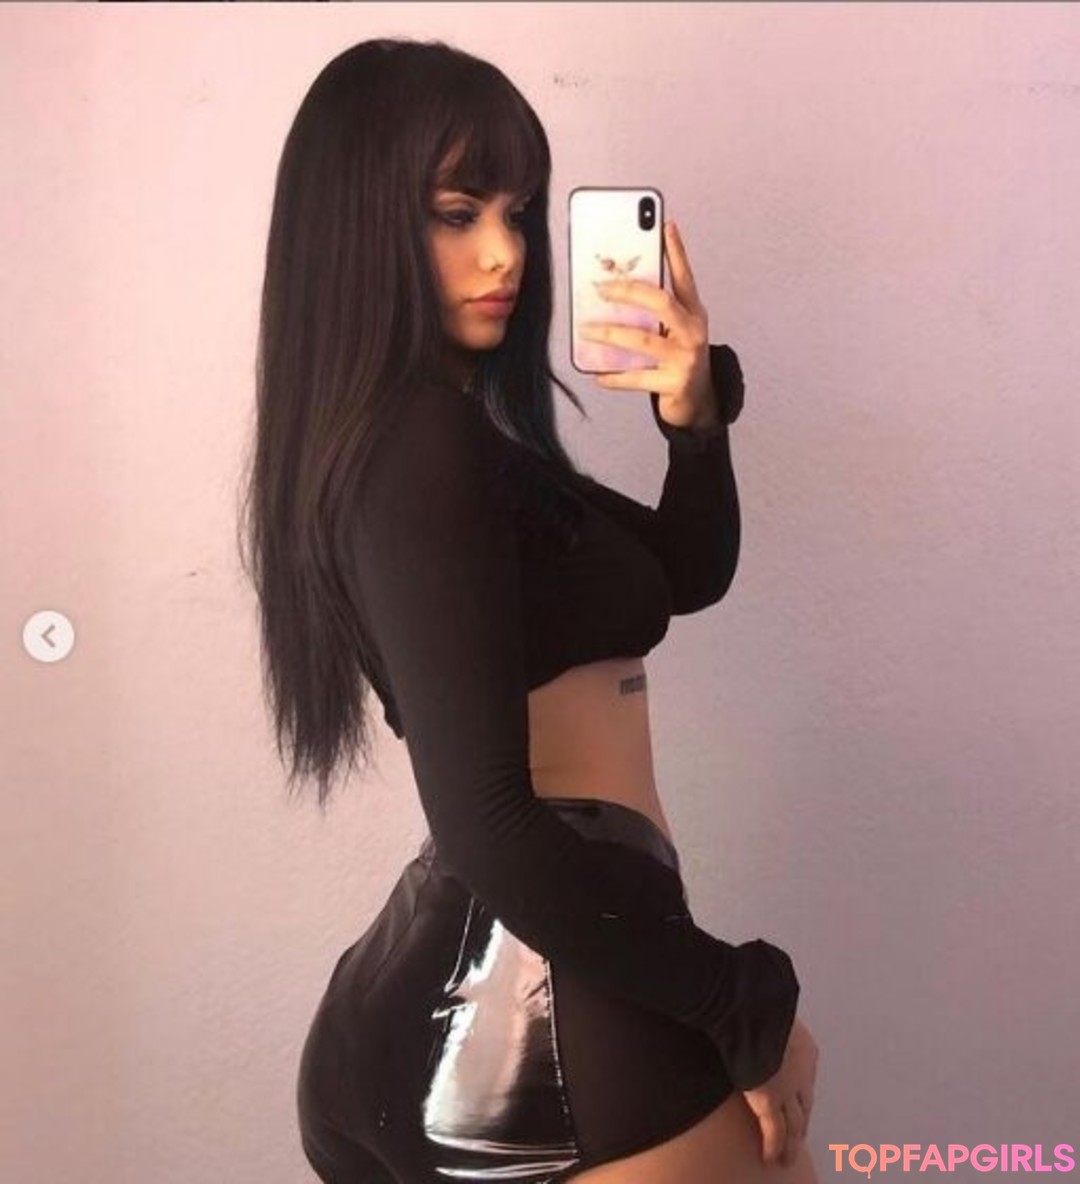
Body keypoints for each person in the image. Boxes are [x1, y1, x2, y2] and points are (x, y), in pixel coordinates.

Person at [239, 36, 820, 1184]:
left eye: (517, 209)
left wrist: (692, 415)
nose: (504, 251)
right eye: (457, 213)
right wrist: (739, 1001)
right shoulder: (419, 449)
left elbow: (681, 572)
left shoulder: (456, 445)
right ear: (358, 226)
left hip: (487, 983)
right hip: (536, 997)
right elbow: (489, 823)